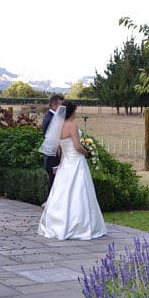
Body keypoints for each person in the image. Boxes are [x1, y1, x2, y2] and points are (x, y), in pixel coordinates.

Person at [37, 100, 107, 240]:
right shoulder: (72, 126)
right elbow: (76, 146)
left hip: (65, 162)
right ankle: (80, 226)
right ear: (72, 112)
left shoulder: (58, 126)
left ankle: (57, 223)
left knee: (62, 192)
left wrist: (62, 160)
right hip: (76, 161)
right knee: (80, 191)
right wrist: (86, 152)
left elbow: (58, 149)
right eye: (75, 110)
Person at [40, 94, 64, 201]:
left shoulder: (51, 116)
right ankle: (50, 202)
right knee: (53, 180)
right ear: (54, 104)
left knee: (54, 180)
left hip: (53, 154)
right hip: (53, 155)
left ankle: (52, 202)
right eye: (61, 105)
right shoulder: (51, 118)